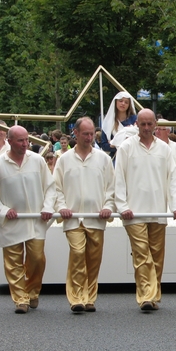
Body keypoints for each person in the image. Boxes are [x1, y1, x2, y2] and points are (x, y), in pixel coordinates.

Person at [0, 125, 56, 314]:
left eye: (26, 140)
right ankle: (20, 299)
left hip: (34, 220)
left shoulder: (37, 161)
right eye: (20, 141)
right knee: (13, 261)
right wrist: (4, 211)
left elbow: (50, 188)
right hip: (12, 222)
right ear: (10, 141)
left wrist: (47, 208)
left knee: (37, 258)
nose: (25, 144)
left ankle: (32, 291)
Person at [115, 109, 176, 311]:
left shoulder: (165, 149)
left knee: (156, 255)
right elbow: (118, 178)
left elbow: (172, 179)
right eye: (142, 124)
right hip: (133, 212)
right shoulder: (126, 148)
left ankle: (153, 295)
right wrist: (122, 205)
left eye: (149, 124)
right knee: (141, 254)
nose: (146, 128)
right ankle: (146, 295)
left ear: (155, 125)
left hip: (158, 210)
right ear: (136, 124)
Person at [54, 117, 115, 313]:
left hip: (96, 218)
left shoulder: (103, 159)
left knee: (93, 259)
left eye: (91, 134)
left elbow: (111, 188)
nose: (89, 138)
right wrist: (62, 206)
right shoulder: (64, 160)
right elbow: (56, 187)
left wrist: (108, 206)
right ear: (76, 133)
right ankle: (76, 297)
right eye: (85, 134)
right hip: (73, 218)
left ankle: (89, 297)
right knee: (78, 253)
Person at [100, 91, 138, 159]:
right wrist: (114, 145)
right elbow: (104, 145)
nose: (123, 103)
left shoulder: (135, 119)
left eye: (126, 102)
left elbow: (137, 139)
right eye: (120, 101)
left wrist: (114, 143)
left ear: (129, 105)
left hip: (131, 157)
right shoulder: (108, 122)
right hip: (114, 158)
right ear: (116, 102)